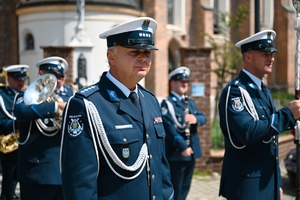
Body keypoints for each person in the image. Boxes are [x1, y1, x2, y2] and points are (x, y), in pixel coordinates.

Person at [60, 17, 174, 200]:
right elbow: (79, 184)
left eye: (147, 52)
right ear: (111, 57)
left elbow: (161, 167)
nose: (143, 58)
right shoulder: (87, 105)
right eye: (134, 52)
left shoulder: (150, 100)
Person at [218, 30, 300, 200]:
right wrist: (287, 115)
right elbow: (247, 133)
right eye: (265, 54)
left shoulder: (263, 90)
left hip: (266, 181)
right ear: (248, 57)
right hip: (247, 185)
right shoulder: (236, 91)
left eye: (272, 54)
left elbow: (272, 142)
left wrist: (277, 182)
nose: (272, 58)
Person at [13, 56, 71, 200]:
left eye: (60, 77)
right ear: (40, 75)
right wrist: (55, 106)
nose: (57, 80)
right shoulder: (24, 97)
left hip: (63, 172)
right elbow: (21, 112)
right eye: (53, 75)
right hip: (36, 173)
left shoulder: (68, 97)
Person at [160, 66, 206, 200]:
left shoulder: (189, 102)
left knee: (185, 189)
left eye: (186, 82)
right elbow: (169, 129)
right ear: (173, 83)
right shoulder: (167, 104)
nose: (185, 84)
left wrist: (196, 119)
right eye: (181, 82)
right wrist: (183, 147)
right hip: (177, 154)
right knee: (176, 190)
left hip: (191, 154)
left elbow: (203, 117)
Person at [0, 65, 29, 200]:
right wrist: (20, 122)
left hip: (29, 147)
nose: (21, 82)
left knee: (28, 188)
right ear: (8, 78)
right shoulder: (2, 96)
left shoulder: (28, 95)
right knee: (9, 189)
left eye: (23, 79)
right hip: (11, 149)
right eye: (18, 79)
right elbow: (1, 123)